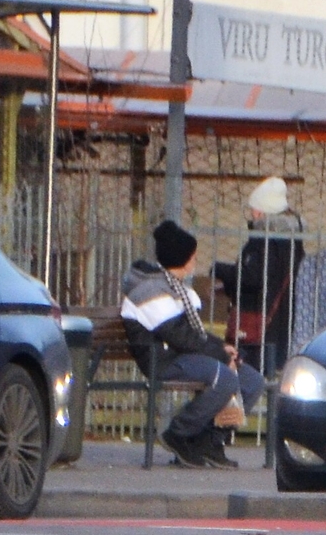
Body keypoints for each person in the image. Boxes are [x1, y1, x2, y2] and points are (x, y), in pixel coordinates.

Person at [122, 220, 263, 470]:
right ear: (182, 259)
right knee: (225, 378)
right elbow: (178, 336)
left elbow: (193, 334)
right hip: (163, 360)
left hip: (185, 356)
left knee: (252, 381)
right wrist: (219, 354)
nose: (196, 260)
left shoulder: (175, 288)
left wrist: (222, 348)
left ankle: (209, 441)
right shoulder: (150, 290)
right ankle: (179, 433)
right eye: (193, 256)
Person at [212, 176, 301, 372]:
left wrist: (219, 270)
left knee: (243, 374)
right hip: (280, 319)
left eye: (254, 208)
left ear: (261, 211)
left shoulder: (263, 240)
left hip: (255, 321)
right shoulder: (293, 239)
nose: (252, 214)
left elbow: (252, 277)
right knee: (269, 376)